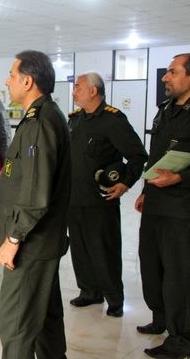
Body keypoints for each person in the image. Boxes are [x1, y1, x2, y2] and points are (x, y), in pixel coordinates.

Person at [0, 50, 70, 358]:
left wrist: (13, 239)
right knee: (45, 323)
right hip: (42, 242)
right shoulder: (42, 116)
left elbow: (36, 194)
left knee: (17, 330)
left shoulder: (40, 122)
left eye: (12, 76)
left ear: (28, 81)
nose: (7, 81)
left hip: (30, 244)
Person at [68, 72, 147, 318]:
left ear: (93, 91)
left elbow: (137, 155)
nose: (74, 92)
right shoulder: (75, 120)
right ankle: (89, 291)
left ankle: (114, 298)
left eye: (78, 87)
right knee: (80, 249)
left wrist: (125, 183)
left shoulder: (113, 120)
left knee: (104, 250)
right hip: (74, 198)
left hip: (100, 200)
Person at [135, 53, 190, 359]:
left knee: (178, 272)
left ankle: (181, 339)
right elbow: (156, 156)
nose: (165, 77)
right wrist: (145, 190)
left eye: (172, 72)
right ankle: (161, 318)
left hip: (181, 208)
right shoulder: (165, 109)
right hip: (155, 202)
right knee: (151, 265)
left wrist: (180, 177)